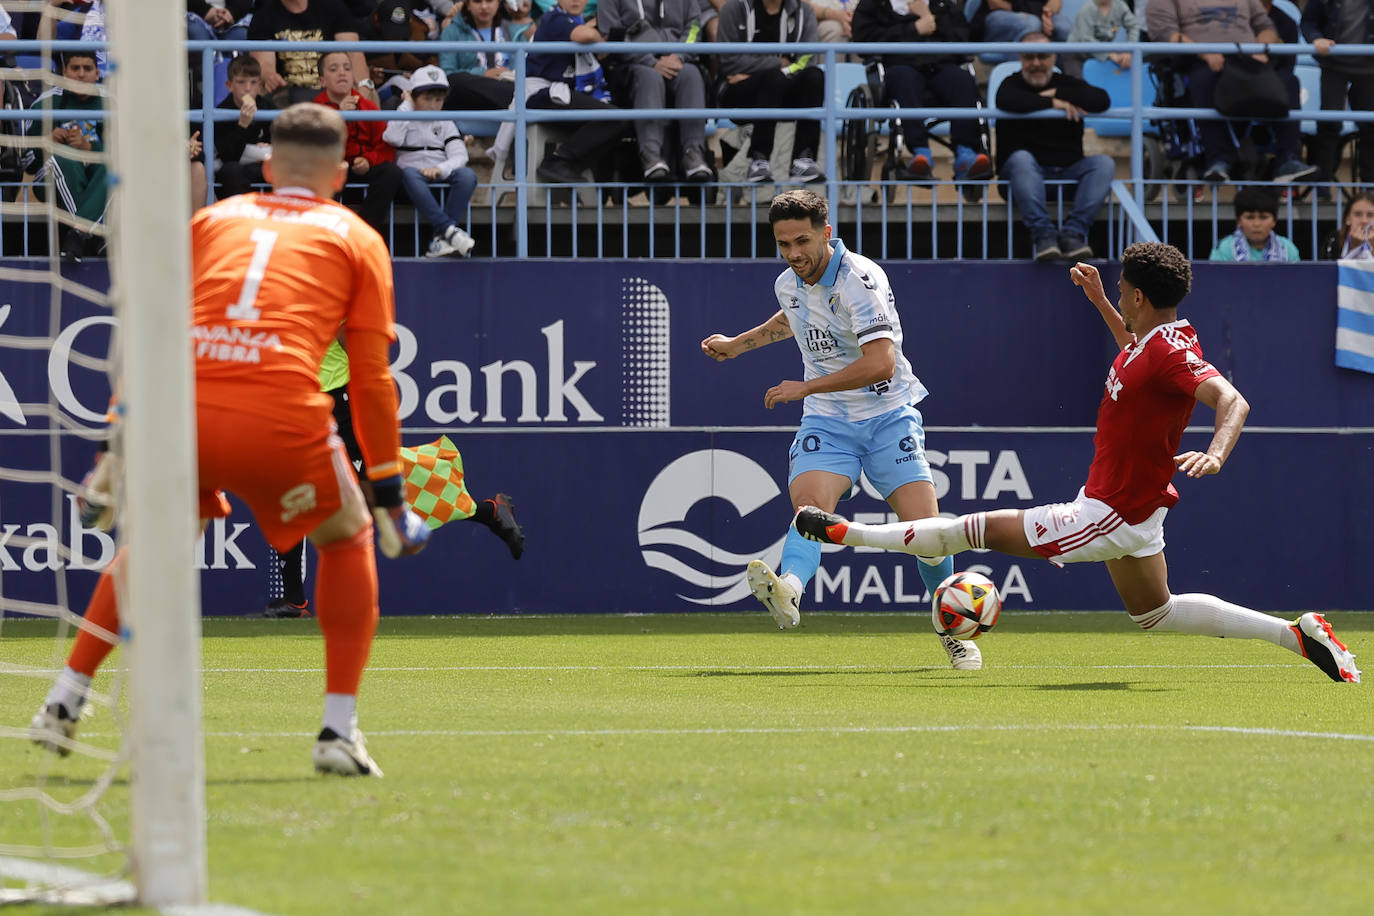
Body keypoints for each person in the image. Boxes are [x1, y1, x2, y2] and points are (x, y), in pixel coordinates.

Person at [30, 103, 434, 776]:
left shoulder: (212, 219)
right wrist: (389, 493)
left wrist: (112, 446)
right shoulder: (356, 236)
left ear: (268, 168)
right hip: (279, 419)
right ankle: (337, 730)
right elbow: (370, 381)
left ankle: (66, 696)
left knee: (156, 544)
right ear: (339, 175)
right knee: (347, 535)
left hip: (179, 413)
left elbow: (150, 339)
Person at [795, 242, 1360, 685]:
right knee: (1155, 614)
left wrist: (1215, 453)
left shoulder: (1168, 353)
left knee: (975, 531)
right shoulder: (1153, 341)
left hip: (1110, 511)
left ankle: (849, 532)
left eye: (1121, 289)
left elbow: (1231, 399)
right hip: (1134, 513)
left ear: (1138, 296)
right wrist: (1100, 302)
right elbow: (1135, 353)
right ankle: (1298, 635)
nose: (1119, 294)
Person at [699, 189, 981, 671]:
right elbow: (793, 318)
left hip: (888, 416)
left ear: (827, 233)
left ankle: (952, 629)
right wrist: (737, 346)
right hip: (829, 421)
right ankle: (789, 589)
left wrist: (803, 387)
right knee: (809, 509)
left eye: (802, 241)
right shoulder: (789, 281)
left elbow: (881, 364)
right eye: (783, 244)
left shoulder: (861, 280)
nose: (793, 254)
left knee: (929, 533)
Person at [264, 339, 526, 618]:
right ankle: (294, 601)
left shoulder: (324, 298)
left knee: (374, 493)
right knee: (290, 487)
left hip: (336, 399)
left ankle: (489, 511)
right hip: (301, 403)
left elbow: (352, 341)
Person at [1145, 0, 1316, 185]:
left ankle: (1287, 159)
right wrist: (1205, 53)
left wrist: (1262, 46)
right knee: (1203, 81)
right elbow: (1166, 34)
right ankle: (1218, 159)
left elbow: (1265, 26)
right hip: (1200, 61)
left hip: (1247, 58)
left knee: (1288, 81)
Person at [994, 33, 1113, 261]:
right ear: (1020, 58)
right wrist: (1053, 104)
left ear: (1054, 57)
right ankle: (1044, 236)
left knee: (1103, 164)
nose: (1036, 63)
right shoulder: (1011, 83)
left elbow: (1101, 100)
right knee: (1021, 159)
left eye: (1043, 56)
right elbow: (1006, 99)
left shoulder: (1065, 83)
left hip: (1067, 177)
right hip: (1022, 183)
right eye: (1029, 57)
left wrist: (1057, 92)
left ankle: (1073, 234)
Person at [851, 0, 993, 183]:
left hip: (940, 65)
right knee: (905, 79)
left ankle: (966, 154)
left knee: (963, 80)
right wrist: (913, 29)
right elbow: (863, 37)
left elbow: (962, 35)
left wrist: (927, 15)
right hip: (900, 66)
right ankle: (921, 153)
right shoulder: (875, 4)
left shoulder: (942, 3)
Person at [599, 0, 715, 181]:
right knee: (649, 77)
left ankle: (694, 153)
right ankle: (651, 154)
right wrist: (650, 61)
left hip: (677, 60)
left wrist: (680, 56)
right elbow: (613, 34)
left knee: (691, 75)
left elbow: (694, 27)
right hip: (634, 63)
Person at [715, 0, 826, 184]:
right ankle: (759, 160)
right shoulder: (733, 9)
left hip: (779, 87)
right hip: (738, 94)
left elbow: (807, 60)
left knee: (815, 76)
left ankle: (803, 160)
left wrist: (763, 70)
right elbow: (728, 61)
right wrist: (778, 63)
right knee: (773, 77)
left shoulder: (803, 11)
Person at [525, 0, 629, 185]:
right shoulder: (554, 17)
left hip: (564, 93)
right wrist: (600, 40)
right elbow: (585, 36)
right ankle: (558, 161)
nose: (575, 0)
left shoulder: (578, 20)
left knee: (624, 119)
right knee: (615, 119)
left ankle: (576, 173)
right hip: (543, 94)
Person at [382, 65, 478, 258]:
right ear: (413, 96)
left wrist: (439, 169)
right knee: (408, 172)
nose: (433, 105)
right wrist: (407, 105)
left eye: (438, 100)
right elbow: (392, 138)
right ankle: (450, 231)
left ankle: (441, 239)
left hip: (438, 178)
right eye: (427, 99)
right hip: (410, 183)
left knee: (467, 175)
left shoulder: (446, 122)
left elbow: (460, 156)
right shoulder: (404, 115)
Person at [22, 50, 106, 261]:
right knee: (65, 157)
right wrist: (45, 143)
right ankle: (95, 233)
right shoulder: (45, 103)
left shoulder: (113, 103)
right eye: (75, 68)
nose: (81, 74)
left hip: (99, 179)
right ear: (64, 73)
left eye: (87, 69)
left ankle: (79, 234)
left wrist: (91, 148)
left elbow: (127, 154)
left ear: (97, 73)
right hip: (52, 178)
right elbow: (27, 163)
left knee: (114, 168)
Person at [313, 50, 404, 236]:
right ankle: (324, 235)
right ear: (322, 80)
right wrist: (340, 116)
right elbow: (315, 147)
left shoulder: (367, 106)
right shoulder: (316, 108)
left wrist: (368, 160)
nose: (342, 73)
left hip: (361, 169)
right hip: (332, 170)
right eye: (333, 69)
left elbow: (386, 147)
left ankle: (365, 233)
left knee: (392, 172)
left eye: (347, 68)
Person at [1301, 0, 1374, 186]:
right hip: (1333, 66)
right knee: (1329, 124)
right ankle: (1322, 185)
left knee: (1370, 127)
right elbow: (1308, 22)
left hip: (1369, 69)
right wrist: (1316, 38)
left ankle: (1369, 188)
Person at [249, 0, 374, 106]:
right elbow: (264, 66)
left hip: (333, 89)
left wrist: (363, 90)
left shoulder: (333, 7)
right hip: (290, 94)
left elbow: (355, 55)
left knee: (370, 97)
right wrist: (270, 77)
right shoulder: (263, 17)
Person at [214, 55, 276, 199]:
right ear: (229, 86)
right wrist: (243, 125)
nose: (248, 89)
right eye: (241, 82)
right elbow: (229, 157)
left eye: (253, 82)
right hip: (236, 171)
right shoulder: (221, 111)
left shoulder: (267, 108)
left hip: (261, 167)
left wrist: (270, 144)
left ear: (260, 85)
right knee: (231, 170)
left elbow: (278, 138)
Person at [1207, 186, 1301, 262]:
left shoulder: (1288, 248)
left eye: (1263, 217)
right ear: (1238, 221)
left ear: (1274, 221)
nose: (1256, 224)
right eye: (1250, 217)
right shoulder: (1224, 248)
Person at [1061, 0, 1137, 78]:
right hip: (1076, 54)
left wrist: (1129, 51)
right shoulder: (1087, 9)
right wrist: (1110, 55)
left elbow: (1133, 26)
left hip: (1100, 54)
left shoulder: (1120, 6)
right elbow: (1085, 39)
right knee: (1079, 86)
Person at [975, 0, 1073, 45]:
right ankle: (1020, 77)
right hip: (1000, 15)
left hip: (1040, 12)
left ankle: (1065, 79)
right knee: (1031, 24)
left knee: (1064, 28)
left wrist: (1046, 14)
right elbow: (995, 3)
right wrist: (1039, 16)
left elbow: (1056, 2)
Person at [1321, 190, 1374, 259]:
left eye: (1370, 215)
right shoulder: (1334, 239)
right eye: (1357, 214)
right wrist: (1353, 247)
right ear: (1347, 218)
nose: (1364, 221)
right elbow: (1328, 268)